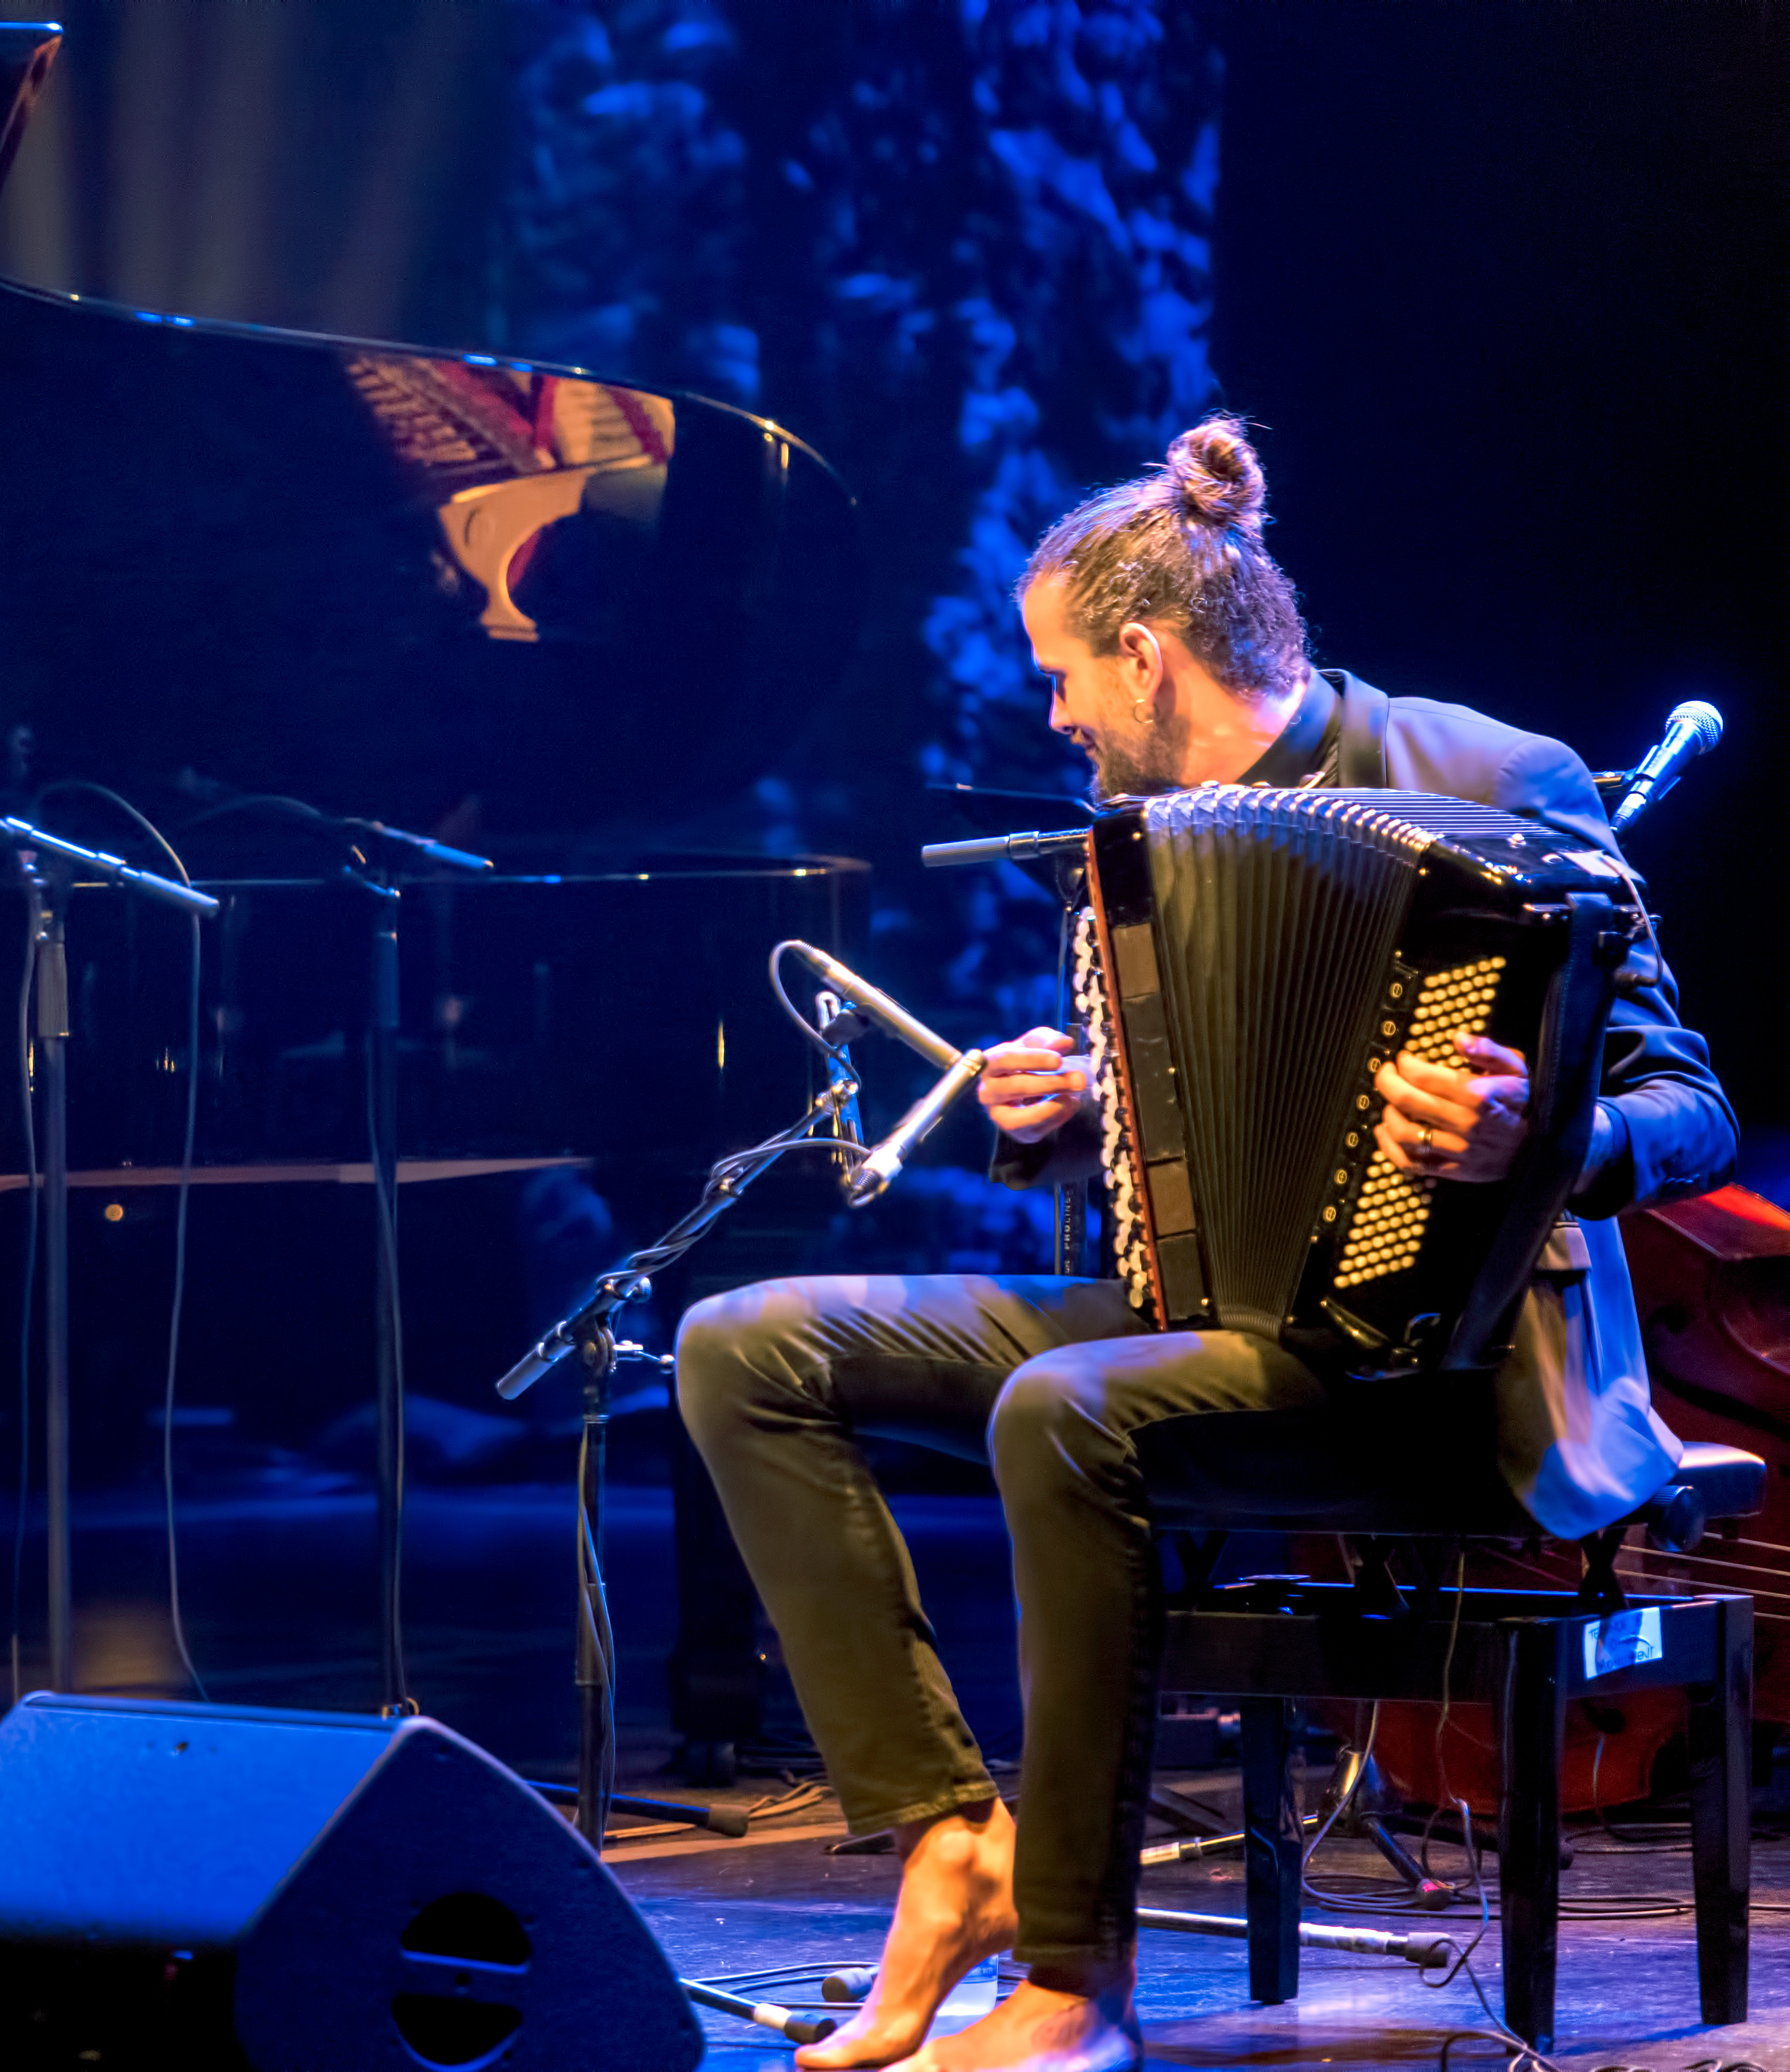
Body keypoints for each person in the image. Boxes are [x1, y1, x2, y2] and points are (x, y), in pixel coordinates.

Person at [674, 417, 1733, 2072]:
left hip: (1438, 1370)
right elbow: (1186, 1148)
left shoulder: (1495, 778)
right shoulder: (1143, 841)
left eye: (1062, 678)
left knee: (1068, 1410)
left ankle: (1074, 1990)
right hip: (1216, 1325)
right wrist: (1078, 1108)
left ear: (1149, 656)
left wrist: (1551, 1141)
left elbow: (1692, 1108)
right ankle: (954, 1841)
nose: (1054, 717)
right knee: (747, 1344)